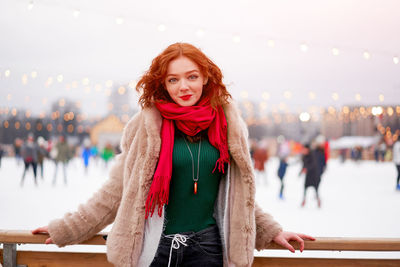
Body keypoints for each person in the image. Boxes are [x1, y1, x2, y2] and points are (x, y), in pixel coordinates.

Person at [32, 43, 314, 266]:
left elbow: (238, 197)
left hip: (207, 248)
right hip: (156, 247)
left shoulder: (228, 126)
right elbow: (117, 192)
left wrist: (271, 231)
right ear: (163, 84)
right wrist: (66, 229)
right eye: (173, 79)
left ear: (205, 77)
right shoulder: (146, 126)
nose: (184, 86)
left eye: (191, 76)